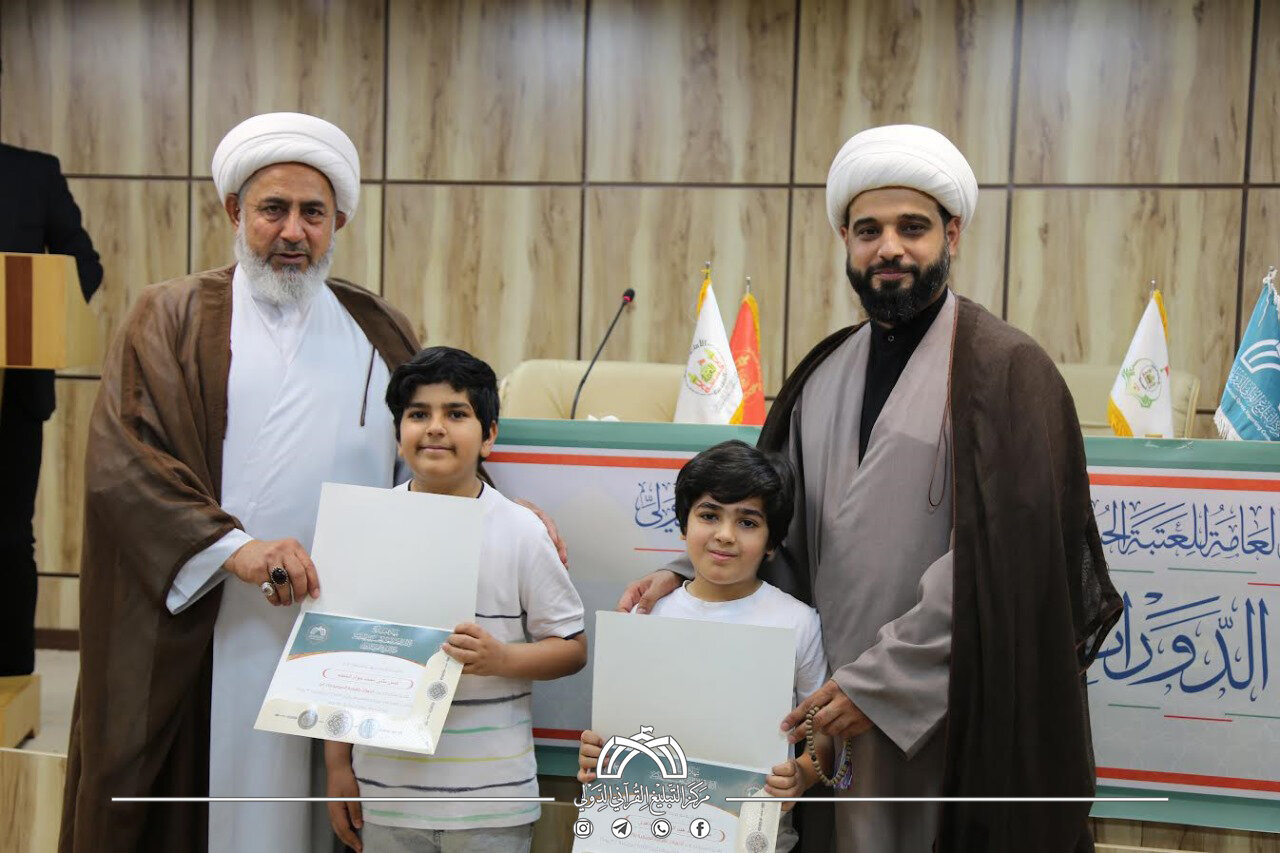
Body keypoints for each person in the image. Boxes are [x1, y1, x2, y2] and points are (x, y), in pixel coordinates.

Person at [619, 125, 1122, 852]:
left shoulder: (1007, 370)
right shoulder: (824, 371)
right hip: (820, 711)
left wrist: (880, 683)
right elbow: (775, 519)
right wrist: (687, 571)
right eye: (868, 231)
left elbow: (1008, 562)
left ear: (952, 234)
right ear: (847, 243)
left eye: (912, 227)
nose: (889, 248)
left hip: (947, 709)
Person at [61, 112, 422, 853]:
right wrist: (236, 550)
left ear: (338, 222)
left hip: (339, 631)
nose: (292, 231)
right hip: (210, 616)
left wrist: (502, 510)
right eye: (272, 209)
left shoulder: (379, 330)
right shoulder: (171, 316)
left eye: (313, 213)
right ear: (235, 212)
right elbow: (124, 465)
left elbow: (432, 456)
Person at [324, 346, 587, 853]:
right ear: (398, 434)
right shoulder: (364, 524)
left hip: (492, 800)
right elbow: (338, 654)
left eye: (456, 414)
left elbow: (573, 649)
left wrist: (503, 658)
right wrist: (337, 765)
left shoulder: (522, 530)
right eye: (418, 414)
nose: (435, 428)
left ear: (489, 435)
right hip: (384, 795)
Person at [578, 440, 830, 851]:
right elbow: (616, 733)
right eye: (709, 515)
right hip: (642, 836)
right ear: (684, 524)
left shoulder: (798, 623)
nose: (725, 535)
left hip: (748, 836)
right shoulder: (645, 615)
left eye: (747, 522)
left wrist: (801, 773)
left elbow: (825, 734)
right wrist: (597, 753)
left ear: (771, 542)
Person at [0, 142, 102, 678]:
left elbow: (84, 262)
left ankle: (11, 681)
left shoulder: (33, 172)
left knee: (9, 535)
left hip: (13, 391)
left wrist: (34, 309)